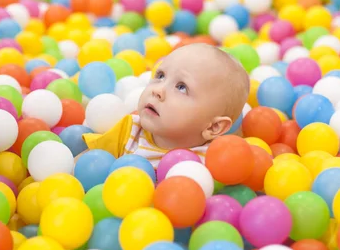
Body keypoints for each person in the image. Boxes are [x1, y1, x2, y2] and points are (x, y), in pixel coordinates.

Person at [79, 43, 250, 168]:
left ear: (214, 126)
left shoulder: (214, 161)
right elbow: (84, 164)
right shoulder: (129, 131)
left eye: (181, 87)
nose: (158, 90)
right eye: (160, 75)